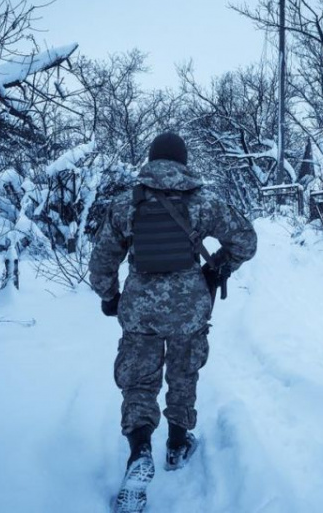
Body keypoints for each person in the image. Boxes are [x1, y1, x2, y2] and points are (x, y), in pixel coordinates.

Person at [89, 131, 257, 511]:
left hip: (140, 311)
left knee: (139, 381)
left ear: (151, 160)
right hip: (189, 309)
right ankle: (177, 446)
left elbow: (102, 260)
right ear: (183, 161)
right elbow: (246, 240)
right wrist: (219, 268)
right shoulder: (203, 200)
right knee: (183, 374)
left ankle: (139, 451)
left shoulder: (125, 203)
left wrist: (110, 297)